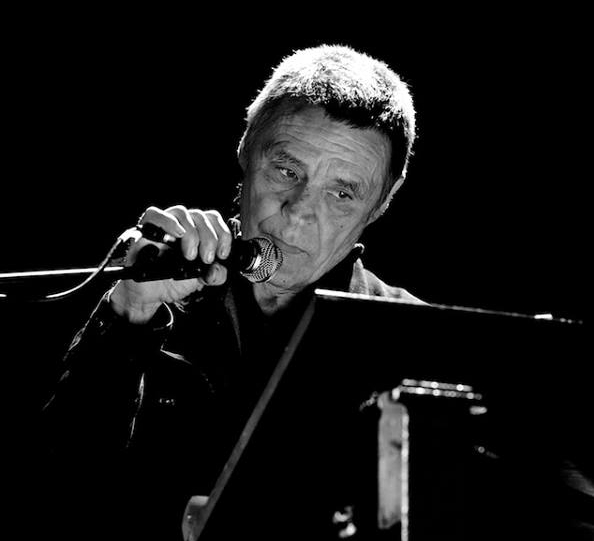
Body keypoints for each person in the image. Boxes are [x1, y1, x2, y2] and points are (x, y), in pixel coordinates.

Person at [39, 44, 422, 540]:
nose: (298, 214)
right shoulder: (146, 285)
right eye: (286, 171)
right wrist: (128, 315)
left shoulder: (416, 343)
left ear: (382, 202)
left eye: (341, 193)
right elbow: (55, 489)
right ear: (245, 148)